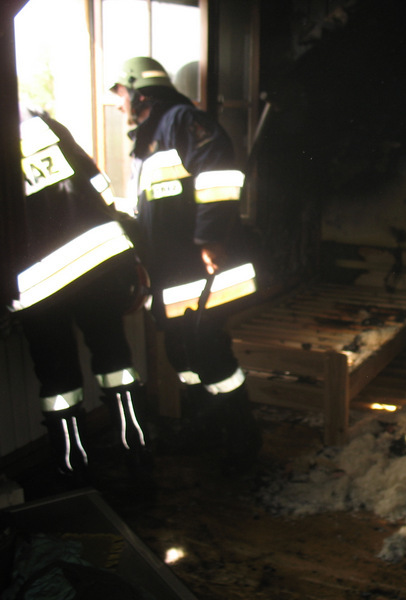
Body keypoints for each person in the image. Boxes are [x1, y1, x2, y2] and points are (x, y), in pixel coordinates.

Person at [109, 56, 261, 474]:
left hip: (201, 268)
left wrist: (209, 237)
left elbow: (218, 174)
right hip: (172, 273)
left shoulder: (182, 121)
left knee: (208, 352)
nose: (118, 104)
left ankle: (242, 439)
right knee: (181, 353)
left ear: (140, 92)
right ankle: (206, 428)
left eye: (121, 95)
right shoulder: (148, 141)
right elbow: (157, 207)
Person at [14, 110, 151, 483]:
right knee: (115, 361)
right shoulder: (40, 123)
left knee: (58, 380)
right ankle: (137, 454)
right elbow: (98, 186)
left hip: (37, 282)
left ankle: (74, 473)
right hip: (96, 263)